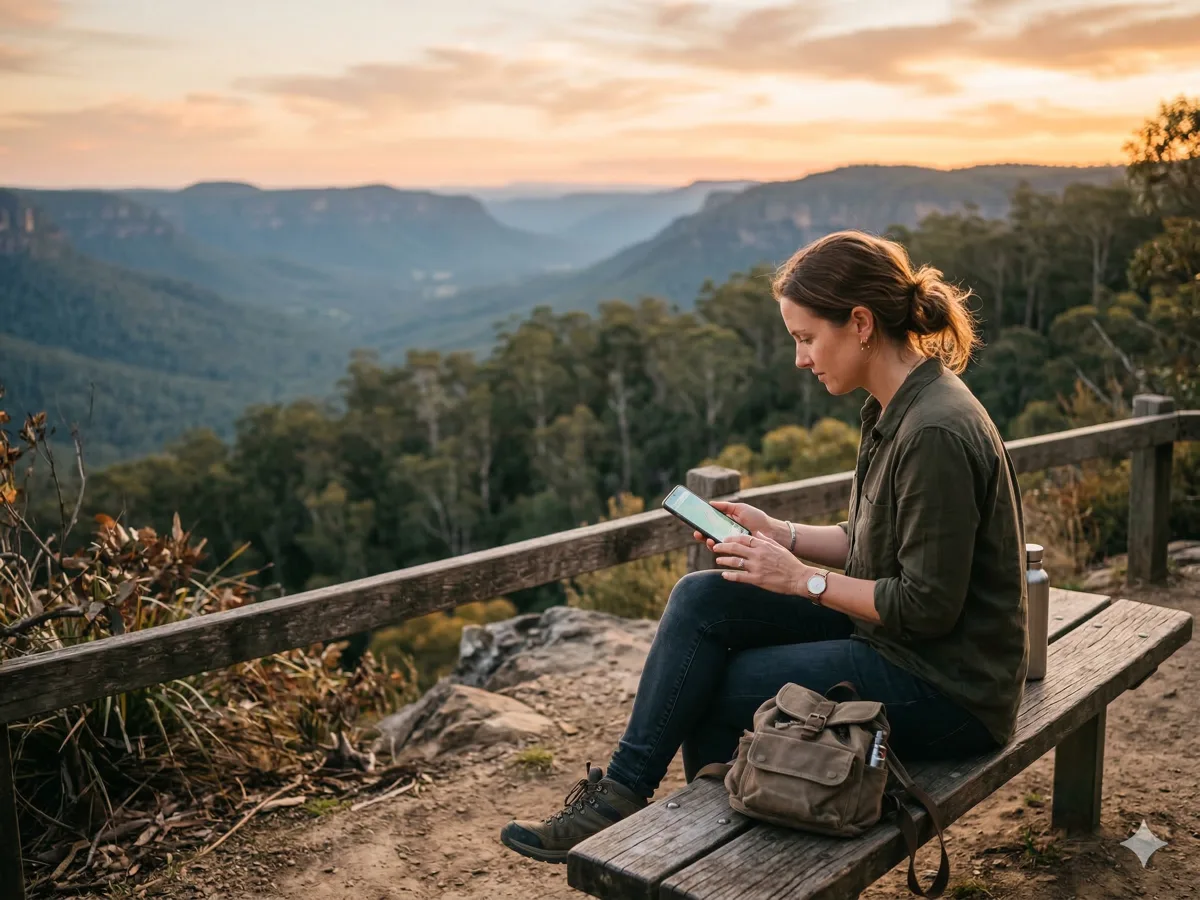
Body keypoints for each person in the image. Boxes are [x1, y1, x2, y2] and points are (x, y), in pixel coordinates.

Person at [499, 230, 1028, 864]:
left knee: (717, 687)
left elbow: (927, 606)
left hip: (950, 686)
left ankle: (725, 860)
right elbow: (873, 546)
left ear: (859, 323)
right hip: (902, 643)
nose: (801, 359)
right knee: (703, 596)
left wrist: (799, 577)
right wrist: (783, 537)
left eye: (807, 338)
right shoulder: (896, 406)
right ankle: (620, 797)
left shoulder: (934, 430)